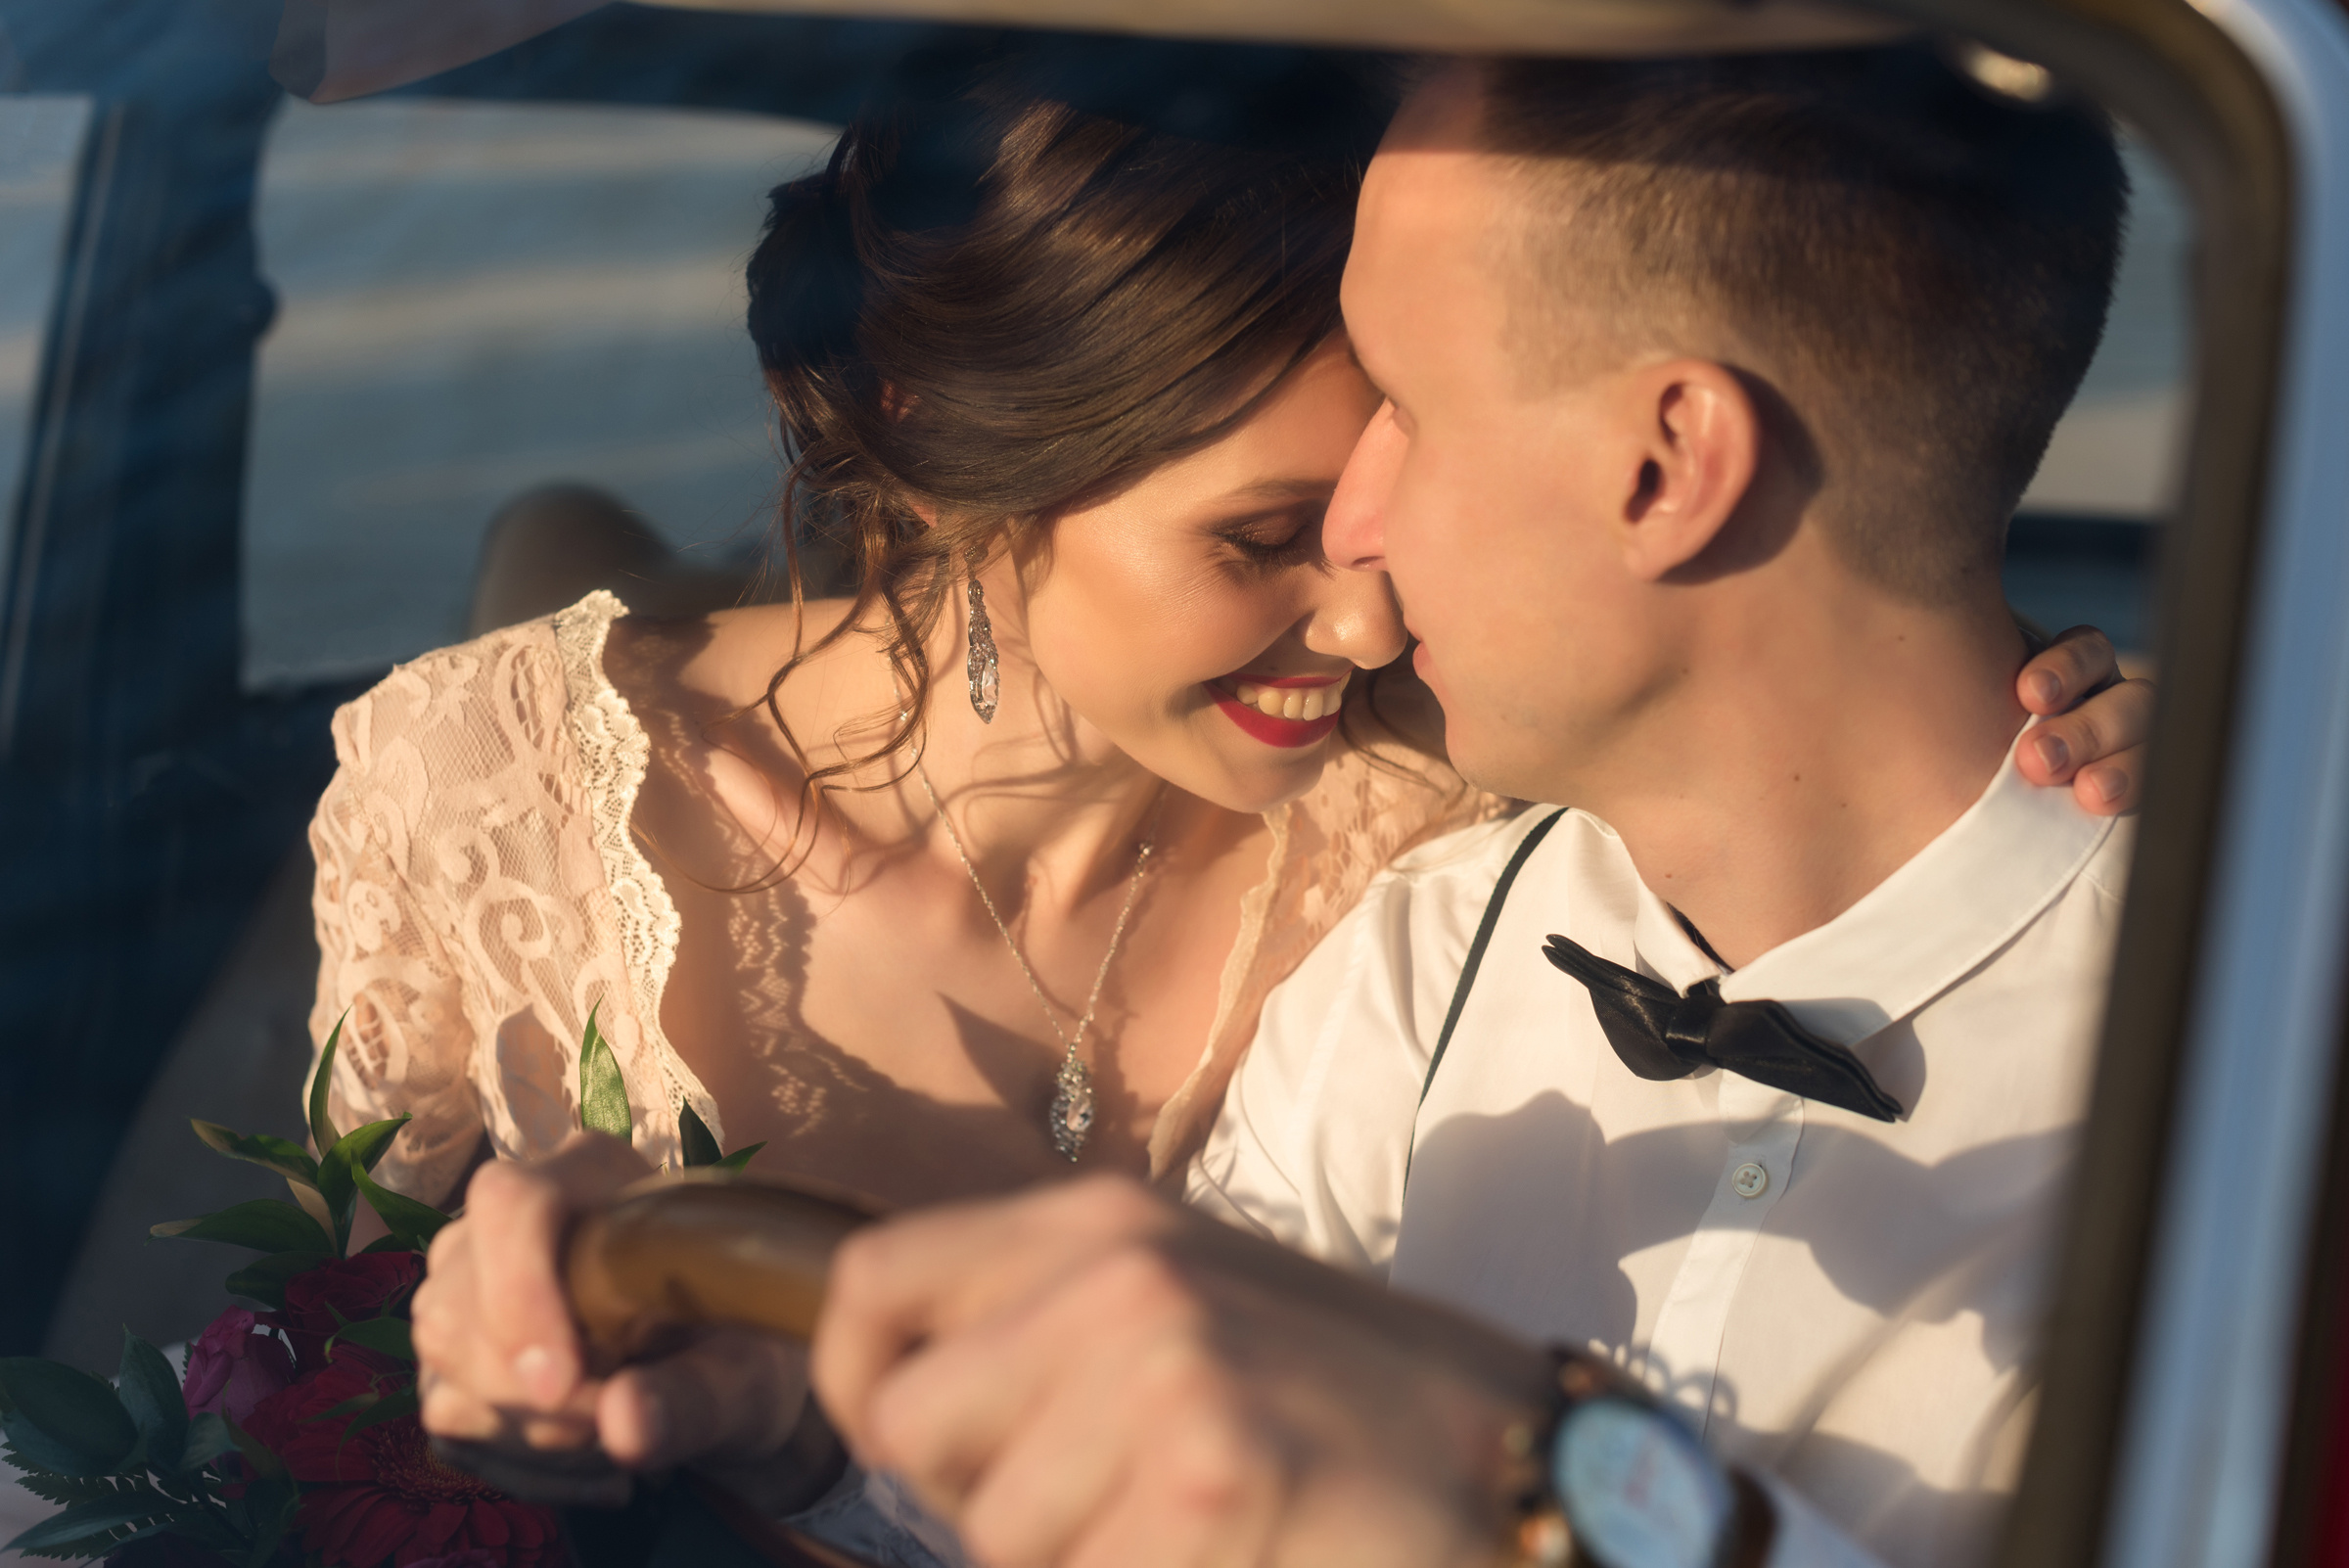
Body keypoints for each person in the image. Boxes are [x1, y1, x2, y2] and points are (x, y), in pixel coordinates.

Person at [407, 41, 2154, 1568]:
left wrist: (1519, 1488)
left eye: (1403, 404)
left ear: (1663, 467)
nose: (1364, 554)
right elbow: (1112, 1469)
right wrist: (780, 1405)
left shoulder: (2246, 1050)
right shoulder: (1415, 951)